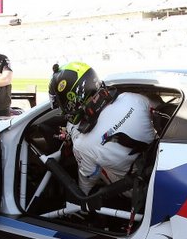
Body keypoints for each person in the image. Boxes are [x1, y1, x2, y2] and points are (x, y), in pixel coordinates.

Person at [48, 61, 156, 195]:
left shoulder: (83, 144)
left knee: (95, 166)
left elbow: (88, 180)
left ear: (72, 100)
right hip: (158, 167)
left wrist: (81, 199)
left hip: (139, 190)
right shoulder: (133, 98)